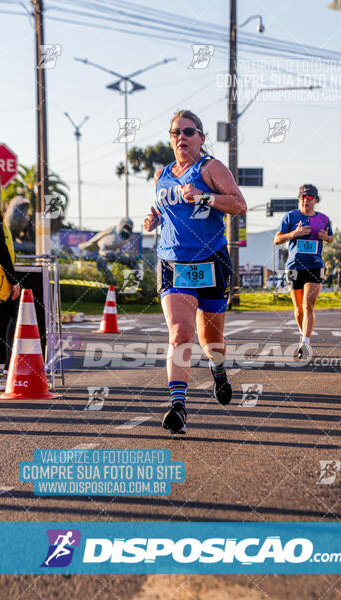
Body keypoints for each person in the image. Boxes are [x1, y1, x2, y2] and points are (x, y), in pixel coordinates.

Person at [144, 110, 247, 434]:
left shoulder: (211, 167)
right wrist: (155, 220)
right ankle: (179, 407)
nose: (182, 138)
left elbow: (239, 205)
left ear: (201, 137)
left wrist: (204, 195)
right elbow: (167, 211)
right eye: (176, 132)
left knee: (210, 338)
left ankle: (218, 370)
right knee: (180, 333)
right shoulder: (163, 174)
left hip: (211, 261)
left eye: (189, 132)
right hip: (173, 262)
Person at [273, 184, 333, 360]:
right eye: (303, 198)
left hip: (314, 265)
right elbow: (277, 239)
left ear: (315, 200)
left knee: (308, 305)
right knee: (298, 310)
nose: (306, 201)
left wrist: (325, 238)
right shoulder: (291, 216)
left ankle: (305, 343)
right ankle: (303, 336)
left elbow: (331, 237)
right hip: (294, 267)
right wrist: (294, 233)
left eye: (309, 198)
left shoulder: (322, 219)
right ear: (299, 199)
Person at [0, 207, 20, 390]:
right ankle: (7, 366)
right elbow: (1, 249)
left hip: (3, 284)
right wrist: (14, 280)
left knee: (14, 314)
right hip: (2, 283)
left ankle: (8, 364)